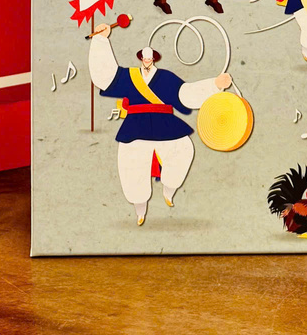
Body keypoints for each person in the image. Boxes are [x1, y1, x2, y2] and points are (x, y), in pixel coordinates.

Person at [88, 24, 229, 226]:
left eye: (150, 58)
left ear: (154, 59)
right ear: (141, 59)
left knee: (183, 149)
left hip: (166, 123)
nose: (147, 61)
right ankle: (140, 209)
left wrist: (214, 85)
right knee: (132, 164)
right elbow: (106, 77)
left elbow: (185, 94)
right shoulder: (129, 76)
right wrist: (101, 40)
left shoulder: (166, 77)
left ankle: (169, 190)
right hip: (135, 126)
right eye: (144, 58)